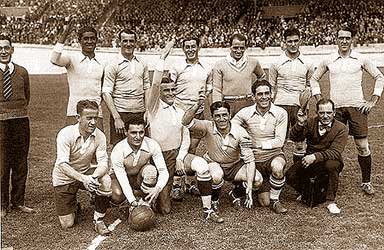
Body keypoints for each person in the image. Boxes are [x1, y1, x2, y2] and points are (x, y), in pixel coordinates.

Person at [145, 42, 223, 222]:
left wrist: (181, 157)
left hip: (177, 156)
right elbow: (156, 84)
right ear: (161, 94)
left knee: (202, 166)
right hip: (160, 158)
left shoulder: (180, 111)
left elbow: (186, 137)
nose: (171, 93)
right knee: (165, 209)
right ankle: (146, 194)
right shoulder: (153, 108)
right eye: (167, 91)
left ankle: (208, 209)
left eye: (173, 89)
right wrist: (161, 59)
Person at [310, 25, 384, 195]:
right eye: (341, 38)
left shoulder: (360, 59)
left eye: (347, 38)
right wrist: (320, 99)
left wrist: (373, 99)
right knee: (331, 145)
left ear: (352, 40)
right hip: (335, 110)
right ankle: (327, 180)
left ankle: (366, 182)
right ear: (336, 40)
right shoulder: (329, 60)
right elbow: (314, 79)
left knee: (362, 146)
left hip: (357, 107)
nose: (344, 41)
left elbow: (379, 77)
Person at [182, 98, 263, 211]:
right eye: (217, 116)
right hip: (214, 163)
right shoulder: (207, 126)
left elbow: (250, 161)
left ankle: (235, 194)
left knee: (257, 180)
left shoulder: (240, 132)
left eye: (224, 115)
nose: (221, 119)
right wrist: (196, 105)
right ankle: (214, 200)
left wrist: (249, 187)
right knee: (216, 176)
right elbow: (185, 122)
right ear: (212, 117)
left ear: (230, 115)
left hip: (234, 166)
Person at [52, 100, 112, 235]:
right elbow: (62, 164)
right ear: (78, 118)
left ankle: (98, 220)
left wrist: (93, 178)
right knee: (67, 224)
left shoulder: (100, 136)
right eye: (89, 118)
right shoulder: (65, 134)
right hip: (64, 179)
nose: (93, 122)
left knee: (106, 181)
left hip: (86, 173)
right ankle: (74, 206)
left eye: (95, 118)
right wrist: (84, 179)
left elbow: (103, 163)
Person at [232, 79, 288, 214]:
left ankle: (275, 200)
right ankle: (236, 192)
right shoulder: (245, 112)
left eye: (267, 93)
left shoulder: (281, 113)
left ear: (272, 94)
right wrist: (243, 136)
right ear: (253, 97)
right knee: (263, 201)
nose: (264, 97)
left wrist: (258, 144)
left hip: (272, 155)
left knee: (278, 168)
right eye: (260, 94)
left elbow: (279, 141)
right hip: (253, 160)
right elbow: (231, 127)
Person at [287, 98, 348, 214]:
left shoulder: (341, 128)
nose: (325, 116)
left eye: (329, 113)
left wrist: (315, 156)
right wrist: (299, 124)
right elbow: (294, 137)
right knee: (290, 176)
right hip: (310, 159)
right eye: (322, 113)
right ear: (316, 113)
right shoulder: (310, 122)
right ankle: (308, 192)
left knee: (332, 165)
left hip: (329, 159)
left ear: (334, 113)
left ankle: (330, 201)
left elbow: (335, 152)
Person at [169, 37, 213, 198]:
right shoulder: (177, 66)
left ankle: (189, 183)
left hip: (198, 113)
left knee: (193, 148)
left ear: (198, 47)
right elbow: (169, 87)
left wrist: (205, 95)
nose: (190, 49)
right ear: (183, 49)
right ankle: (175, 185)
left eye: (193, 46)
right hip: (180, 114)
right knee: (178, 148)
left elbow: (209, 86)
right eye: (187, 47)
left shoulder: (207, 67)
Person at [0, 34, 34, 217]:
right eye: (0, 48)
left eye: (6, 47)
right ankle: (2, 204)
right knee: (2, 163)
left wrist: (17, 112)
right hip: (1, 122)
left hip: (21, 120)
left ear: (12, 49)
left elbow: (26, 96)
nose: (3, 51)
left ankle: (18, 201)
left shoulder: (22, 71)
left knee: (21, 162)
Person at [269, 28, 314, 162]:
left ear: (300, 41)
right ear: (284, 42)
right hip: (280, 105)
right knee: (279, 142)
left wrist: (305, 106)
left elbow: (309, 86)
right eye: (290, 41)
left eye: (296, 41)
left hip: (299, 106)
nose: (293, 44)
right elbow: (271, 87)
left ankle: (298, 175)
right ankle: (278, 173)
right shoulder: (276, 62)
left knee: (300, 144)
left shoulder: (308, 63)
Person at [109, 115, 169, 214]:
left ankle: (147, 202)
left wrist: (157, 188)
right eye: (133, 133)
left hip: (138, 176)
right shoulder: (118, 150)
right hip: (120, 177)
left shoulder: (152, 144)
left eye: (141, 132)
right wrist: (132, 201)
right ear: (125, 132)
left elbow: (163, 171)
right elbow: (122, 178)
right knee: (117, 195)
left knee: (151, 171)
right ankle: (127, 202)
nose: (138, 137)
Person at [50, 20, 104, 129]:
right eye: (86, 39)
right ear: (80, 41)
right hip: (74, 110)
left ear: (96, 40)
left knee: (97, 143)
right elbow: (54, 59)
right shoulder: (72, 59)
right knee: (74, 143)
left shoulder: (102, 62)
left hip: (96, 111)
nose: (89, 41)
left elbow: (103, 88)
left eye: (92, 38)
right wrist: (64, 35)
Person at [102, 29, 150, 145]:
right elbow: (106, 92)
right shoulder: (113, 64)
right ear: (119, 42)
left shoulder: (142, 63)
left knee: (142, 150)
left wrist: (148, 111)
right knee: (119, 150)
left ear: (135, 42)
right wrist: (116, 117)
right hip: (121, 113)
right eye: (125, 41)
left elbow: (147, 88)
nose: (128, 44)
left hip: (140, 113)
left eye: (131, 41)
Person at [212, 33, 266, 117]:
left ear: (245, 48)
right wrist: (218, 108)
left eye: (242, 48)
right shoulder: (220, 64)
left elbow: (262, 77)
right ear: (230, 47)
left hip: (247, 102)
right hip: (228, 103)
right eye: (235, 48)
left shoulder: (253, 62)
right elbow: (216, 89)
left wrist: (255, 93)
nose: (238, 51)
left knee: (250, 129)